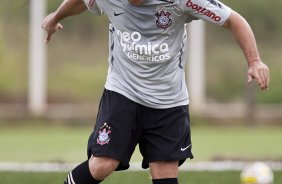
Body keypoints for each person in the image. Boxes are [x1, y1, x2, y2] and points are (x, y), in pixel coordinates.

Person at [42, 0, 270, 183]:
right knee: (102, 164)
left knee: (165, 173)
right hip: (123, 92)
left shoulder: (183, 2)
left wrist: (255, 61)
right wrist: (56, 17)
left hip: (169, 101)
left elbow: (234, 20)